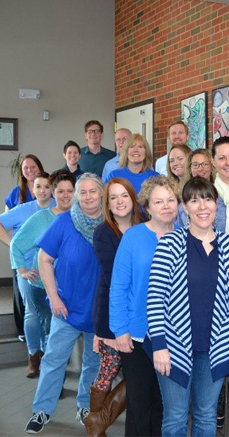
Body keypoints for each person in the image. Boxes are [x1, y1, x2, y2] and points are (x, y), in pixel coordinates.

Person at [147, 177, 229, 437]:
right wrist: (159, 345)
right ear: (184, 208)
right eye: (194, 200)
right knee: (176, 418)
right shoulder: (169, 244)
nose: (202, 206)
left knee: (206, 416)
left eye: (208, 199)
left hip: (216, 346)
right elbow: (155, 298)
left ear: (216, 205)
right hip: (174, 346)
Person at [26, 173, 104, 434]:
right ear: (76, 196)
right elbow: (44, 258)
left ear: (101, 194)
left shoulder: (111, 225)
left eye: (94, 192)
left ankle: (84, 405)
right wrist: (54, 297)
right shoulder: (64, 222)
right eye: (83, 192)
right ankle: (42, 411)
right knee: (54, 360)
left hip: (98, 311)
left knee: (92, 363)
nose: (88, 197)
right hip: (66, 308)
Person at [109, 176, 179, 436]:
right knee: (139, 403)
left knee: (165, 404)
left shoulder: (185, 237)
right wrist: (120, 330)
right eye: (159, 201)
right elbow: (118, 286)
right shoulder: (134, 237)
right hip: (137, 333)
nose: (166, 206)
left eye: (171, 200)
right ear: (147, 206)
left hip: (173, 337)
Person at [85, 178, 144, 436]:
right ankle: (97, 424)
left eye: (124, 196)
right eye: (113, 197)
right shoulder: (103, 232)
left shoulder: (143, 227)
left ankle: (97, 421)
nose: (120, 202)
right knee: (108, 371)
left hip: (141, 315)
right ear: (107, 204)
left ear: (133, 199)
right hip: (112, 313)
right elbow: (113, 278)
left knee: (138, 375)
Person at [4, 171, 58, 377]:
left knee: (50, 314)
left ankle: (48, 355)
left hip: (54, 272)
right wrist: (18, 262)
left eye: (47, 186)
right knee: (33, 314)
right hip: (29, 272)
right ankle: (33, 356)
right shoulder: (23, 210)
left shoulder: (59, 208)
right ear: (32, 190)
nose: (43, 190)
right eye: (38, 187)